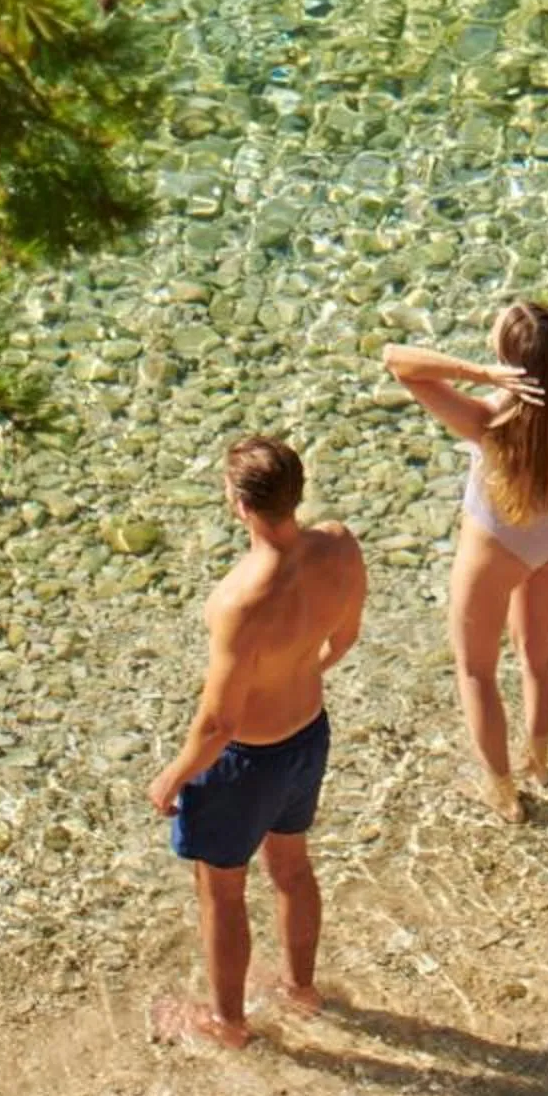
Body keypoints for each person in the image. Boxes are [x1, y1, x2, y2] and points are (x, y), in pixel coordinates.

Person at [382, 231, 548, 823]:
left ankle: (505, 794)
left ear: (509, 365)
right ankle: (540, 761)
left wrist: (481, 373)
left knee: (478, 672)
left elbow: (396, 360)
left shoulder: (485, 419)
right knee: (539, 657)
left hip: (499, 547)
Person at [145, 435, 366, 1049]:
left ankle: (228, 1024)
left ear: (237, 503)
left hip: (244, 761)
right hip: (307, 735)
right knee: (292, 867)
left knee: (222, 892)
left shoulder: (238, 602)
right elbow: (343, 639)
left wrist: (172, 776)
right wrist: (296, 674)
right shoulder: (341, 546)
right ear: (298, 491)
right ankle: (301, 990)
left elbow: (217, 724)